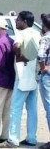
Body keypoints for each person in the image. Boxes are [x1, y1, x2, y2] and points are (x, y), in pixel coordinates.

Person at [0, 11, 41, 148]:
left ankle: (13, 139)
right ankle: (31, 138)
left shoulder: (21, 34)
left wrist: (19, 55)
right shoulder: (37, 33)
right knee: (32, 109)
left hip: (22, 76)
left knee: (15, 108)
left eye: (18, 20)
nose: (16, 22)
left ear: (24, 22)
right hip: (34, 75)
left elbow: (17, 45)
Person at [36, 14, 50, 149]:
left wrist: (43, 67)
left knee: (49, 108)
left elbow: (40, 55)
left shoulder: (46, 38)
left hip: (47, 76)